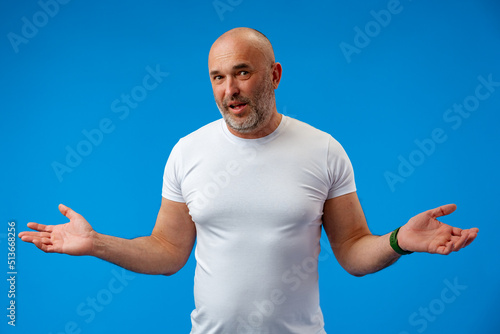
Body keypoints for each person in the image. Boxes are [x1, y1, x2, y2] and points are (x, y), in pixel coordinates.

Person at [19, 27, 479, 334]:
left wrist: (401, 239)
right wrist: (97, 243)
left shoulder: (323, 149)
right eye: (218, 77)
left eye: (242, 72)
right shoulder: (187, 151)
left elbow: (355, 252)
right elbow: (167, 253)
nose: (229, 89)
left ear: (274, 75)